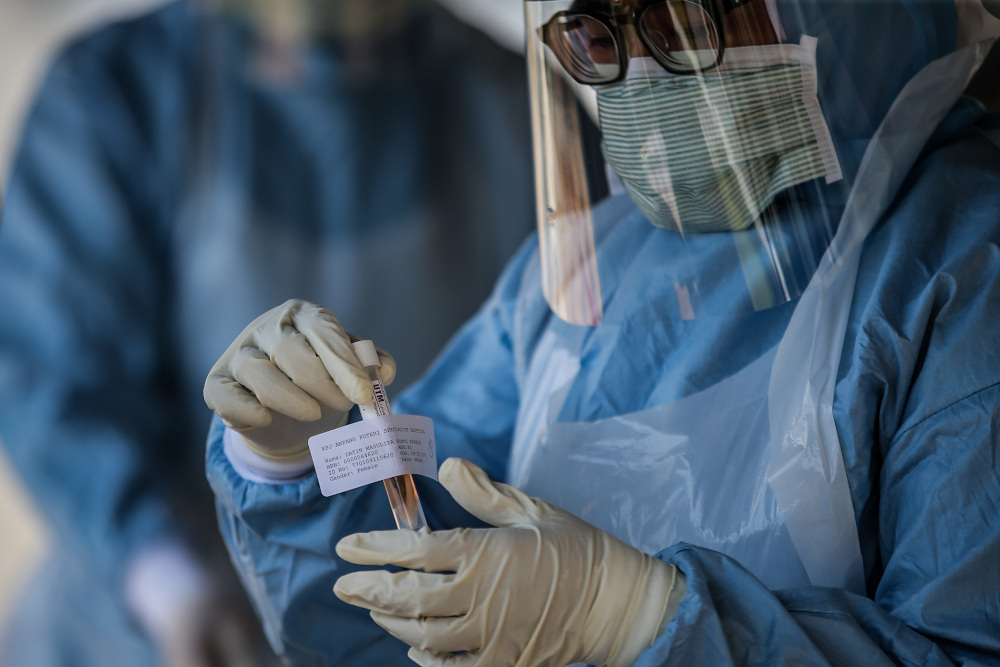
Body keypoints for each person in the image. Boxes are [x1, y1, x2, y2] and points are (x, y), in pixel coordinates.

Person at [202, 0, 1000, 664]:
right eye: (600, 36)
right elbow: (382, 609)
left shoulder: (966, 264)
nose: (646, 74)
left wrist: (638, 616)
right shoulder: (589, 270)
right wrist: (287, 464)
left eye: (687, 21)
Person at [0, 0, 535, 665]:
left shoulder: (518, 105)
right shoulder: (119, 93)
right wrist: (173, 585)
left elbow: (572, 393)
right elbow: (57, 386)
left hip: (427, 624)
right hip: (149, 631)